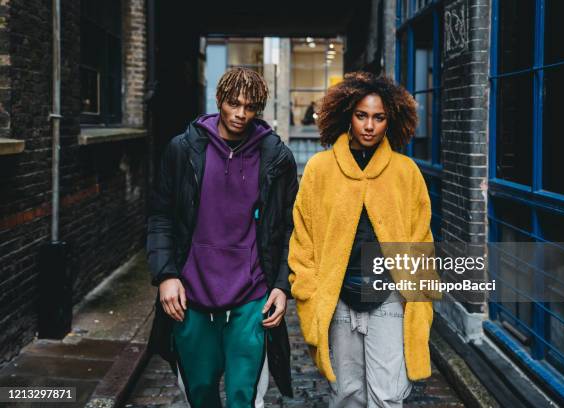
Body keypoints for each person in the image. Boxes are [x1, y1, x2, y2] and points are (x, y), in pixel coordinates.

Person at [147, 67, 297, 407]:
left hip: (252, 294)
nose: (241, 114)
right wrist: (166, 274)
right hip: (192, 292)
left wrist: (281, 285)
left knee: (244, 396)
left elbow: (289, 227)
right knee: (199, 395)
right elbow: (160, 216)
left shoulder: (276, 158)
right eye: (234, 103)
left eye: (250, 106)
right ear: (219, 101)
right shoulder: (182, 150)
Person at [288, 72, 436, 407]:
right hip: (339, 300)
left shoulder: (405, 172)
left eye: (378, 117)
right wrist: (309, 292)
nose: (369, 125)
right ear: (347, 116)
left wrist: (419, 297)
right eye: (362, 115)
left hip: (389, 300)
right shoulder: (319, 169)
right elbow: (303, 239)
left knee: (387, 396)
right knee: (347, 396)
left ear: (390, 120)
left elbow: (421, 241)